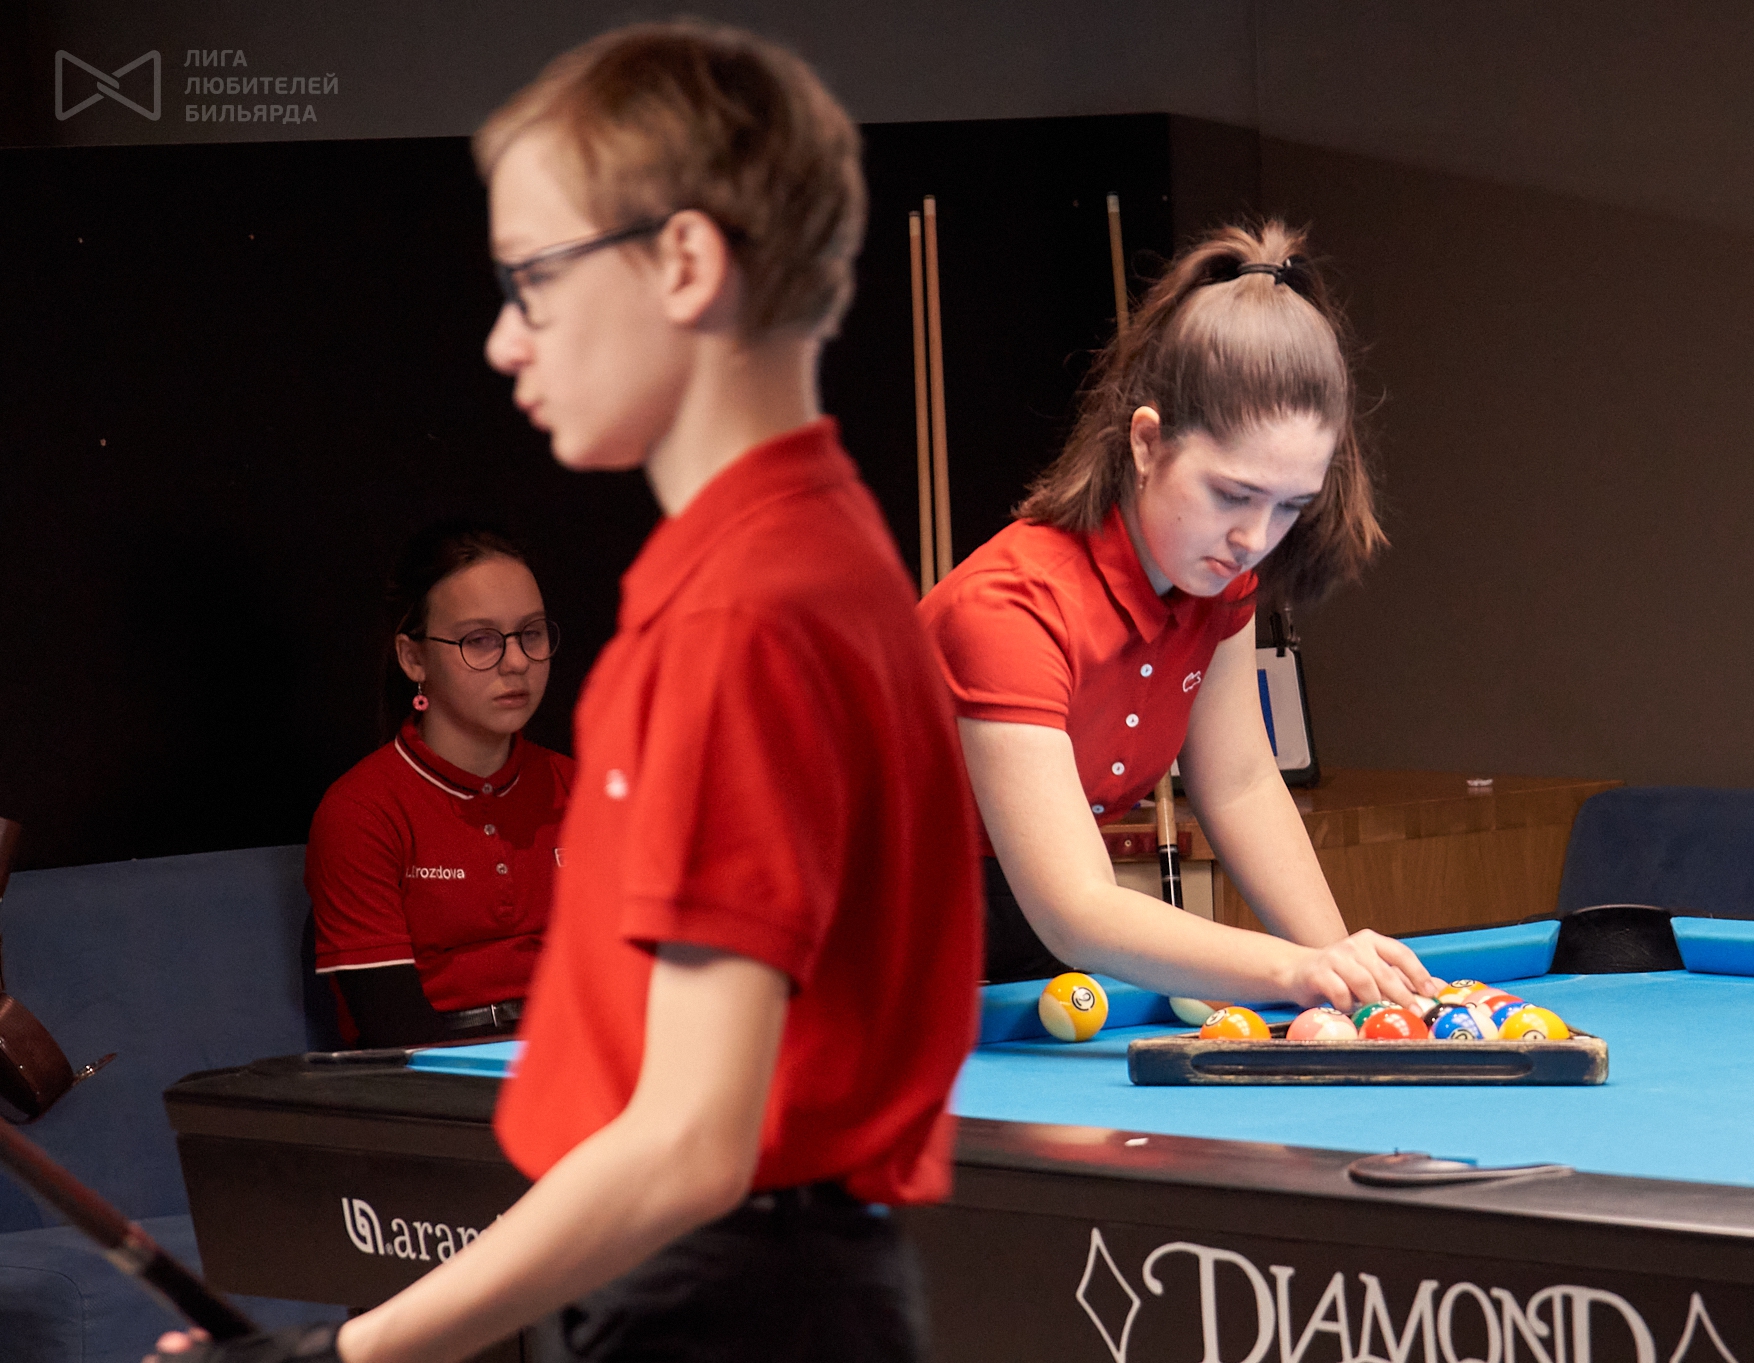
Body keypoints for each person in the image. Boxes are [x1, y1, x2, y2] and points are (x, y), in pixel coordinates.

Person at [156, 18, 979, 1363]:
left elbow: (690, 1141)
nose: (503, 340)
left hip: (723, 1301)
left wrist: (339, 1353)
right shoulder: (814, 552)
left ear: (684, 262)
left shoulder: (741, 616)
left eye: (532, 280)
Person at [919, 222, 1440, 1012]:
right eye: (1232, 493)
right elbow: (1076, 908)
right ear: (1146, 442)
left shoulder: (1218, 584)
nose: (1254, 537)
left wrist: (1351, 984)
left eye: (1289, 505)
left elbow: (1238, 783)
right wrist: (1291, 971)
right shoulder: (1011, 608)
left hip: (1003, 921)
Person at [306, 523, 575, 1047]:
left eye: (532, 633)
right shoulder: (361, 812)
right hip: (438, 1075)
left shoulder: (584, 790)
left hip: (582, 1055)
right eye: (480, 640)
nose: (517, 661)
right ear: (414, 658)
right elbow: (393, 1031)